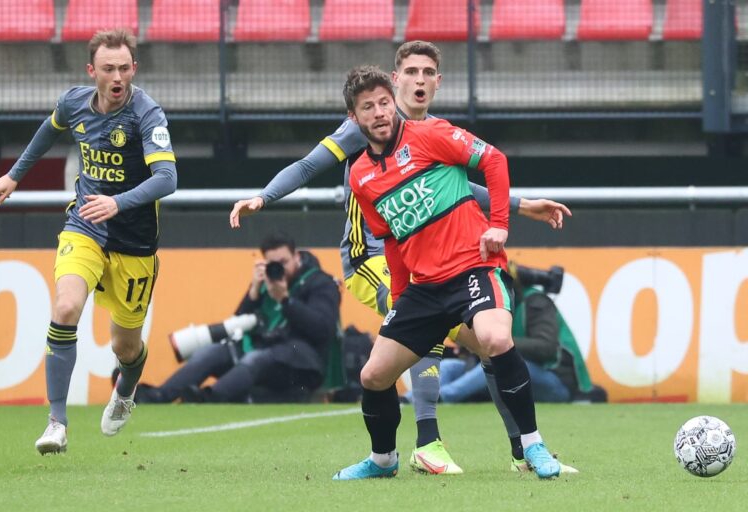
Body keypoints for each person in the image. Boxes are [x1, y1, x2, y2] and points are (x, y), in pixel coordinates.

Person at [229, 41, 572, 475]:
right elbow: (309, 168)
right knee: (403, 348)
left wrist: (517, 208)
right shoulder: (360, 139)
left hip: (449, 265)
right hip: (371, 260)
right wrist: (264, 197)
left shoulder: (428, 133)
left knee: (490, 344)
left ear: (436, 83)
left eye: (427, 72)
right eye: (411, 72)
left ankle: (524, 451)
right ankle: (423, 442)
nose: (419, 81)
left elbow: (459, 184)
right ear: (395, 80)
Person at [334, 65, 562, 480]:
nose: (380, 112)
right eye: (368, 107)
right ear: (354, 117)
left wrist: (499, 225)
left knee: (495, 339)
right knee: (374, 374)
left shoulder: (430, 134)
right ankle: (383, 460)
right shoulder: (361, 175)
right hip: (424, 288)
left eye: (384, 103)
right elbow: (390, 240)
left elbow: (493, 159)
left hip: (474, 268)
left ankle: (532, 446)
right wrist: (399, 294)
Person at [0, 29, 178, 454]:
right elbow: (48, 130)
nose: (117, 77)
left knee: (125, 345)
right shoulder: (74, 102)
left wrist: (118, 203)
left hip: (135, 243)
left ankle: (126, 387)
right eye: (108, 69)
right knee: (66, 307)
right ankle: (57, 422)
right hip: (85, 226)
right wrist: (14, 175)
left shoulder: (147, 114)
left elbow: (168, 179)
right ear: (92, 71)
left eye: (124, 68)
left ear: (134, 69)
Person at [135, 232, 341, 403]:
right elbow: (238, 322)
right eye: (272, 264)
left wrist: (286, 301)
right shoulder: (266, 282)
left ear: (297, 256)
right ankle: (159, 395)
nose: (279, 269)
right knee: (212, 352)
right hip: (263, 348)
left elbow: (322, 329)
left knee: (256, 358)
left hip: (300, 361)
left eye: (284, 262)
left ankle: (208, 397)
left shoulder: (320, 283)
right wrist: (253, 292)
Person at [414, 263, 606, 405]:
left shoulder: (536, 303)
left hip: (555, 382)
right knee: (449, 366)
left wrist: (498, 342)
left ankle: (442, 397)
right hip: (513, 377)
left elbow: (546, 348)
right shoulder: (488, 307)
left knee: (502, 366)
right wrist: (471, 348)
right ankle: (413, 398)